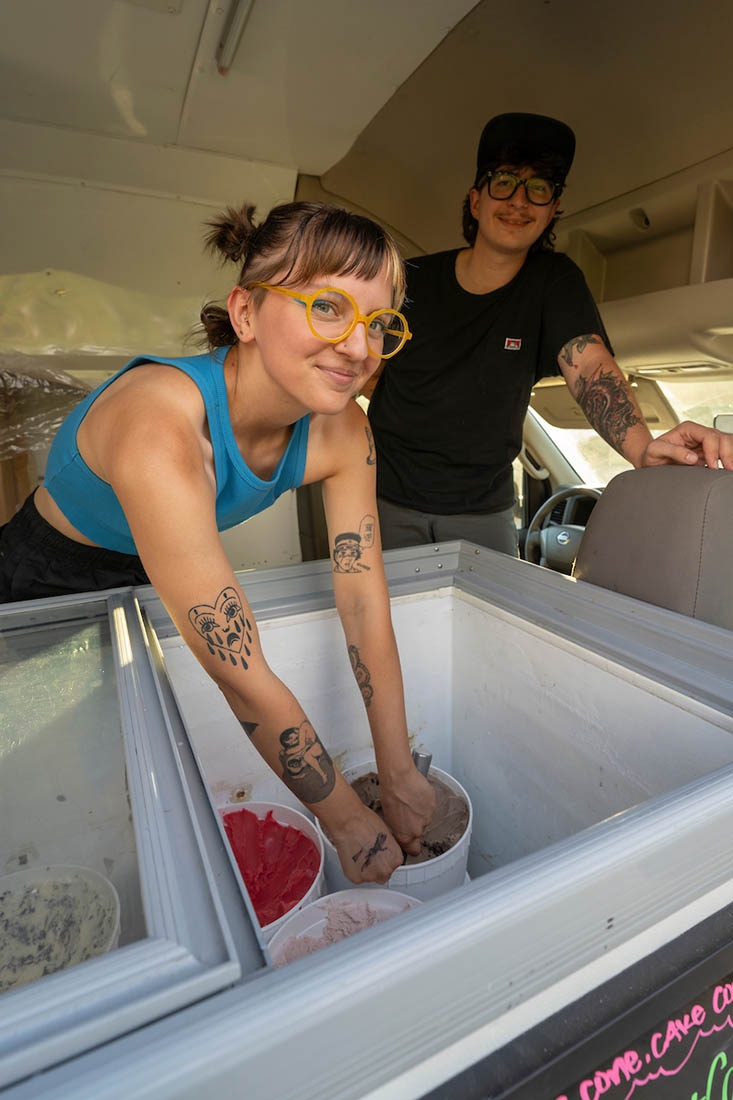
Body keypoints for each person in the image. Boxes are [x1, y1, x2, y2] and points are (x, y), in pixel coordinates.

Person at [0, 200, 435, 885]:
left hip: (150, 580)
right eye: (328, 307)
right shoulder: (160, 421)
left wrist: (398, 769)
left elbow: (361, 602)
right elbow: (239, 668)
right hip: (41, 580)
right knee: (49, 792)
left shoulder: (345, 432)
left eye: (379, 324)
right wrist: (349, 821)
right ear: (245, 313)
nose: (358, 346)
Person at [367, 112, 733, 555]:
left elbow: (590, 366)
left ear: (552, 210)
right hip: (382, 500)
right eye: (504, 181)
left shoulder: (553, 282)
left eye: (538, 188)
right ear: (476, 201)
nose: (520, 201)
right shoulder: (414, 279)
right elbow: (366, 369)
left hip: (482, 514)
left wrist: (643, 450)